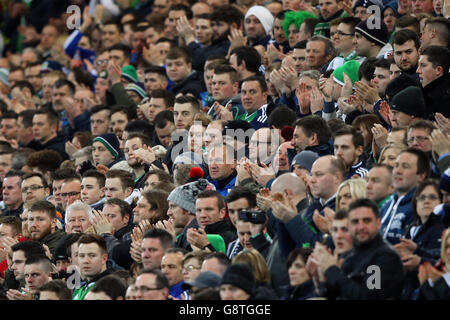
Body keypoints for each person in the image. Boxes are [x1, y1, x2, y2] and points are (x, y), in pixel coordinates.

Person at [311, 198, 404, 300]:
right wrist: (321, 278)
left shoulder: (384, 256)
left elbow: (368, 297)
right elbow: (336, 293)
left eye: (366, 220)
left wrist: (331, 270)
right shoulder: (350, 254)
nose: (361, 227)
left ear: (378, 224)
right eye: (355, 222)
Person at [380, 148, 431, 245]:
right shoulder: (386, 204)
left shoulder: (422, 207)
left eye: (405, 166)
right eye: (396, 165)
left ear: (421, 176)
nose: (397, 171)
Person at [72, 234, 113, 300]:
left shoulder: (112, 288)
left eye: (92, 255)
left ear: (104, 258)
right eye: (82, 256)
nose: (85, 261)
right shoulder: (79, 288)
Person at [417, 46, 450, 119]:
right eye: (418, 65)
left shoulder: (445, 101)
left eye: (423, 65)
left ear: (438, 70)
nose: (418, 71)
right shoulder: (420, 92)